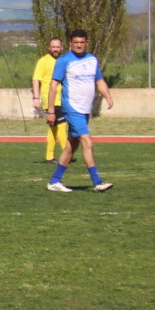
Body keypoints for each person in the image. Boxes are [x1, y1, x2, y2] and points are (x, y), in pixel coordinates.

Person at [47, 28, 115, 193]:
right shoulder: (64, 61)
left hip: (85, 109)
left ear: (86, 43)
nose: (79, 45)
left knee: (72, 145)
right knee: (87, 141)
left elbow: (99, 80)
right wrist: (51, 110)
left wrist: (107, 95)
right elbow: (53, 86)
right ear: (70, 43)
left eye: (82, 42)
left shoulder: (92, 60)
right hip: (71, 108)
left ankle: (54, 181)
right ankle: (97, 182)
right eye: (76, 42)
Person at [30, 36, 69, 162]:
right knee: (62, 125)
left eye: (58, 47)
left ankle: (49, 156)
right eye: (53, 47)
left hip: (62, 98)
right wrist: (36, 98)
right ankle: (67, 153)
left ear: (61, 48)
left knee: (54, 127)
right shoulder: (43, 61)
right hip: (50, 99)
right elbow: (36, 79)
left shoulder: (63, 60)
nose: (55, 49)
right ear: (49, 48)